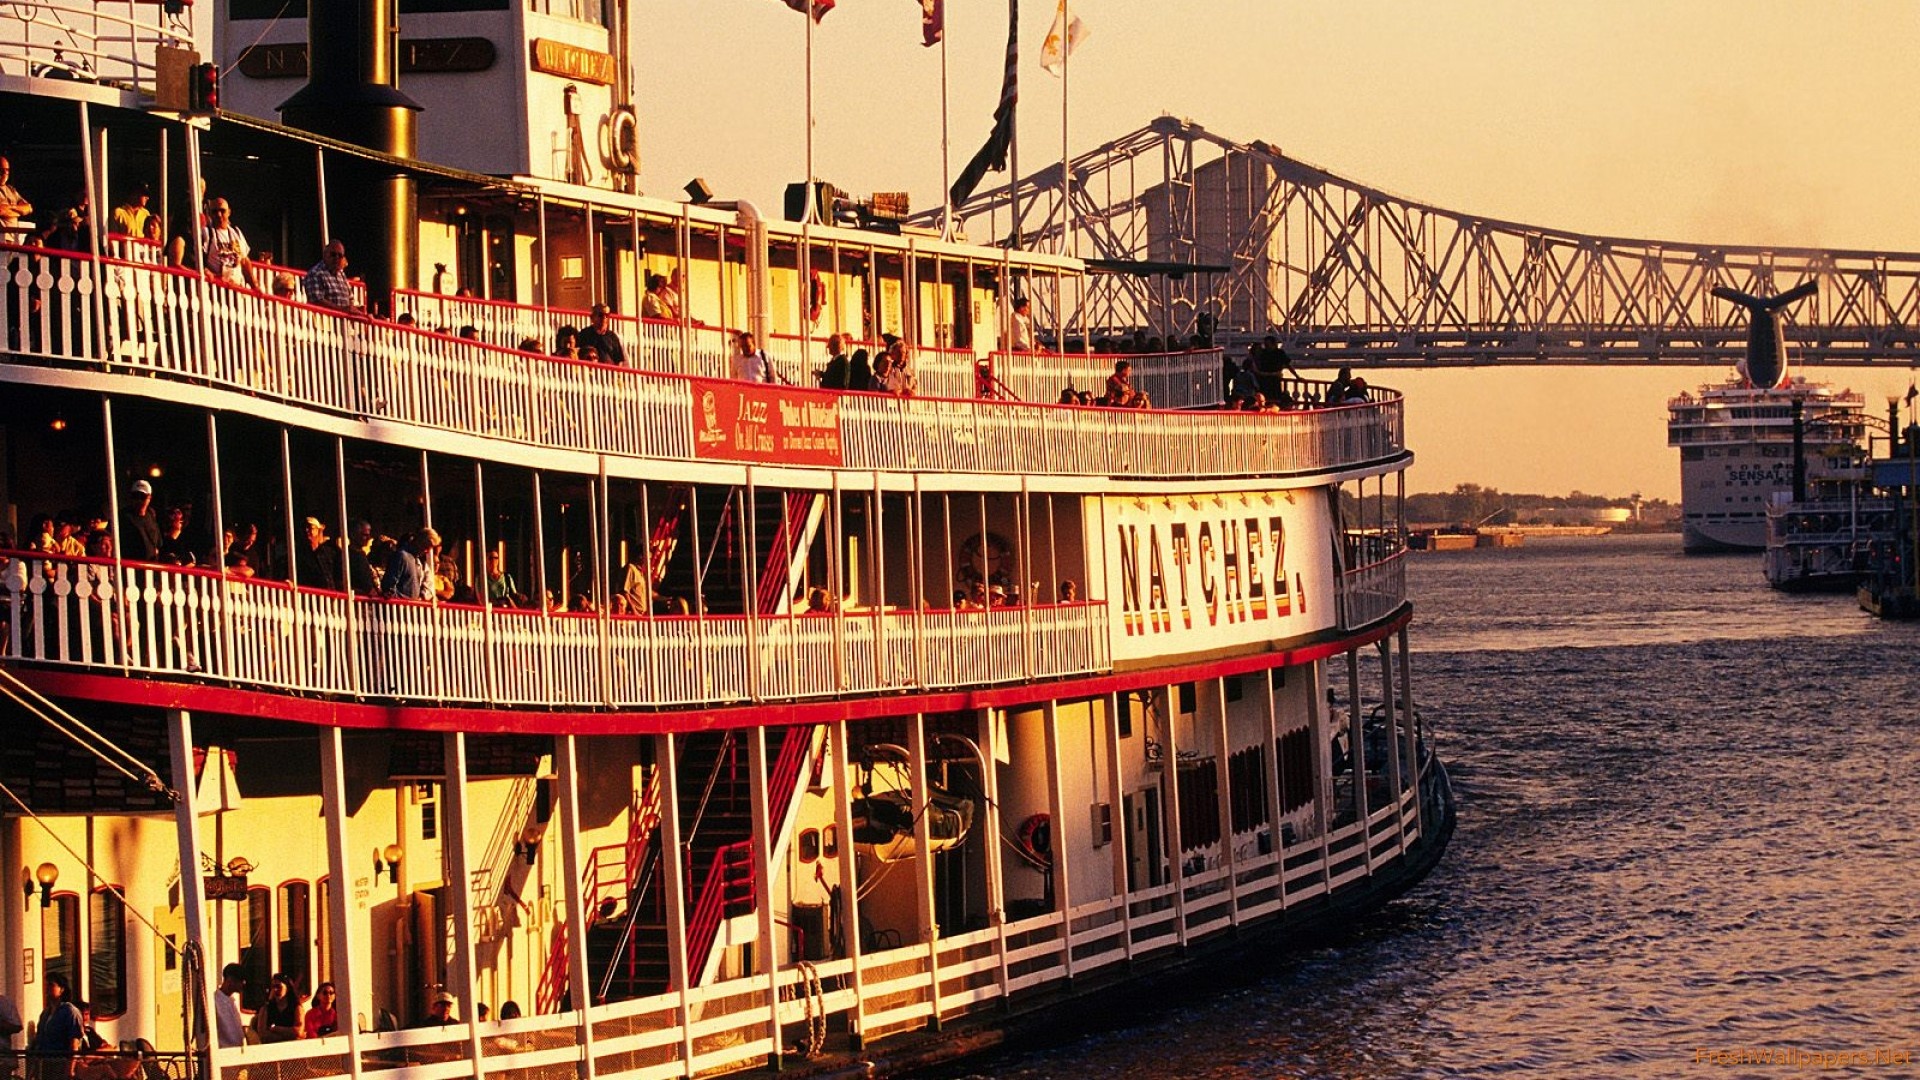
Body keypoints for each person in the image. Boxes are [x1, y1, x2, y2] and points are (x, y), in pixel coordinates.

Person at [30, 973, 83, 1080]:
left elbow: (74, 1042)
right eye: (46, 985)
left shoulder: (69, 1011)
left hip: (61, 1062)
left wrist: (70, 1068)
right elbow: (39, 1041)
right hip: (45, 1063)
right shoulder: (45, 1013)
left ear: (61, 989)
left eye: (51, 985)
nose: (47, 988)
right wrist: (34, 1068)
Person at [200, 199, 253, 288]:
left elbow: (245, 261)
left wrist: (255, 285)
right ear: (210, 214)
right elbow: (196, 259)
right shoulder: (206, 232)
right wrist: (205, 270)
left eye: (222, 211)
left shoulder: (236, 232)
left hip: (237, 287)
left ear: (229, 212)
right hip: (216, 288)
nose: (219, 214)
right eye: (215, 211)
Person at [381, 528, 440, 600]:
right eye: (426, 547)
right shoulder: (401, 556)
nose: (427, 551)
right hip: (398, 609)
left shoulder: (419, 562)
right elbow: (388, 588)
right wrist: (408, 603)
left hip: (411, 608)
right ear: (419, 541)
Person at [304, 241, 358, 312]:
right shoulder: (315, 273)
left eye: (340, 255)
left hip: (344, 322)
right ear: (325, 255)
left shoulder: (341, 274)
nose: (337, 257)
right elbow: (316, 301)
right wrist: (342, 310)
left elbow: (350, 299)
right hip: (324, 321)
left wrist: (362, 314)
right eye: (333, 254)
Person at [251, 973, 303, 1043]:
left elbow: (298, 1031)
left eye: (278, 986)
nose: (275, 989)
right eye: (273, 986)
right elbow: (263, 1035)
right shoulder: (265, 1009)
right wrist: (288, 1035)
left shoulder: (296, 1007)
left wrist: (275, 1029)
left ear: (287, 988)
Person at [294, 517, 340, 592]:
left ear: (318, 530)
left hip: (329, 596)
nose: (306, 530)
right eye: (305, 528)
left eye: (310, 527)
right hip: (309, 596)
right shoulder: (300, 555)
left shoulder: (328, 552)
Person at [120, 480, 161, 562]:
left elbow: (158, 542)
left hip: (151, 567)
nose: (138, 500)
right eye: (135, 496)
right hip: (131, 568)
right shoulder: (123, 516)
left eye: (142, 497)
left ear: (149, 498)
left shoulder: (151, 515)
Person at [213, 965, 246, 1049]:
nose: (243, 983)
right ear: (230, 980)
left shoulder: (233, 1001)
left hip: (237, 1052)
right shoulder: (215, 1001)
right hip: (223, 1052)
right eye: (241, 980)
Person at [0, 156, 31, 229]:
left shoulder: (11, 190)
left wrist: (10, 207)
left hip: (13, 236)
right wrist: (19, 211)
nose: (5, 173)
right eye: (1, 170)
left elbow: (28, 208)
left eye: (7, 170)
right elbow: (1, 210)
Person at [347, 520, 378, 595]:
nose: (368, 538)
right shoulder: (348, 555)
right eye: (364, 535)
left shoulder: (361, 554)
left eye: (369, 535)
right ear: (353, 535)